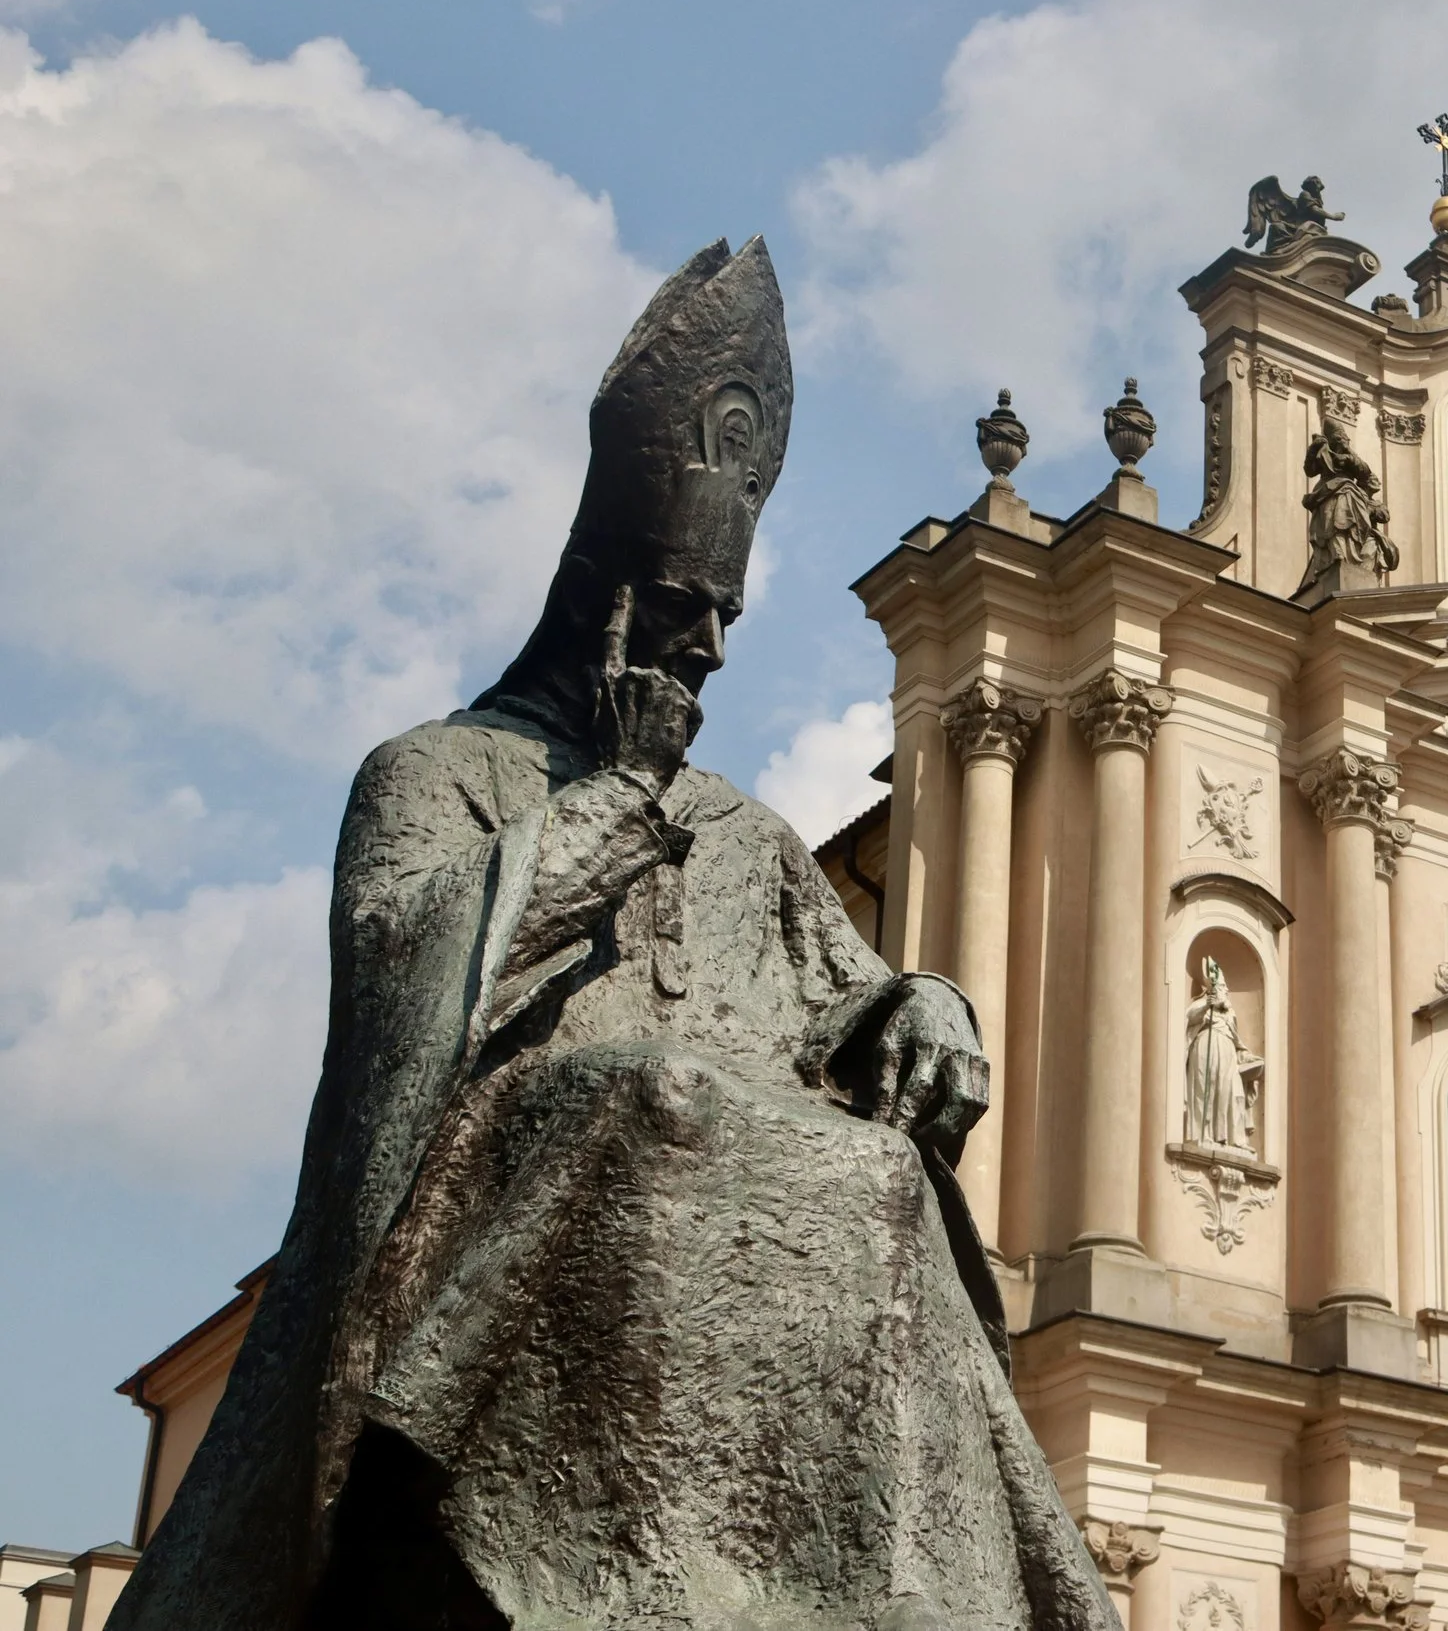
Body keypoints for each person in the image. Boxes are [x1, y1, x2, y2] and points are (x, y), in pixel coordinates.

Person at [108, 239, 1119, 1631]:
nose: (707, 648)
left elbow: (841, 994)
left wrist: (927, 1001)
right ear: (595, 597)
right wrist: (615, 802)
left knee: (877, 1176)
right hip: (527, 1172)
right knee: (654, 1095)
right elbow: (403, 991)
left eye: (727, 617)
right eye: (683, 611)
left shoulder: (751, 834)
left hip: (712, 1154)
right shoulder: (438, 768)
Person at [1300, 420, 1397, 586]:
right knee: (1332, 524)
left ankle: (1347, 558)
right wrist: (1313, 449)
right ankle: (1337, 556)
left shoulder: (1350, 459)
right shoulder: (1323, 451)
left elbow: (1365, 472)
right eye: (1338, 438)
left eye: (1343, 438)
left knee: (1346, 523)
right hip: (1327, 494)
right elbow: (1310, 470)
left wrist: (1349, 456)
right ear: (1331, 439)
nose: (1342, 441)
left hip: (1347, 493)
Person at [1182, 957, 1254, 1153]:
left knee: (1233, 1093)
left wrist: (1247, 1058)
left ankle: (1229, 1137)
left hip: (1228, 1051)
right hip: (1207, 1044)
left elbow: (1237, 1040)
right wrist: (1208, 1005)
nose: (1227, 991)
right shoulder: (1204, 1003)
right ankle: (1203, 1134)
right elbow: (1190, 1018)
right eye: (1223, 987)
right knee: (1206, 1089)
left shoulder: (1230, 1014)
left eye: (1226, 988)